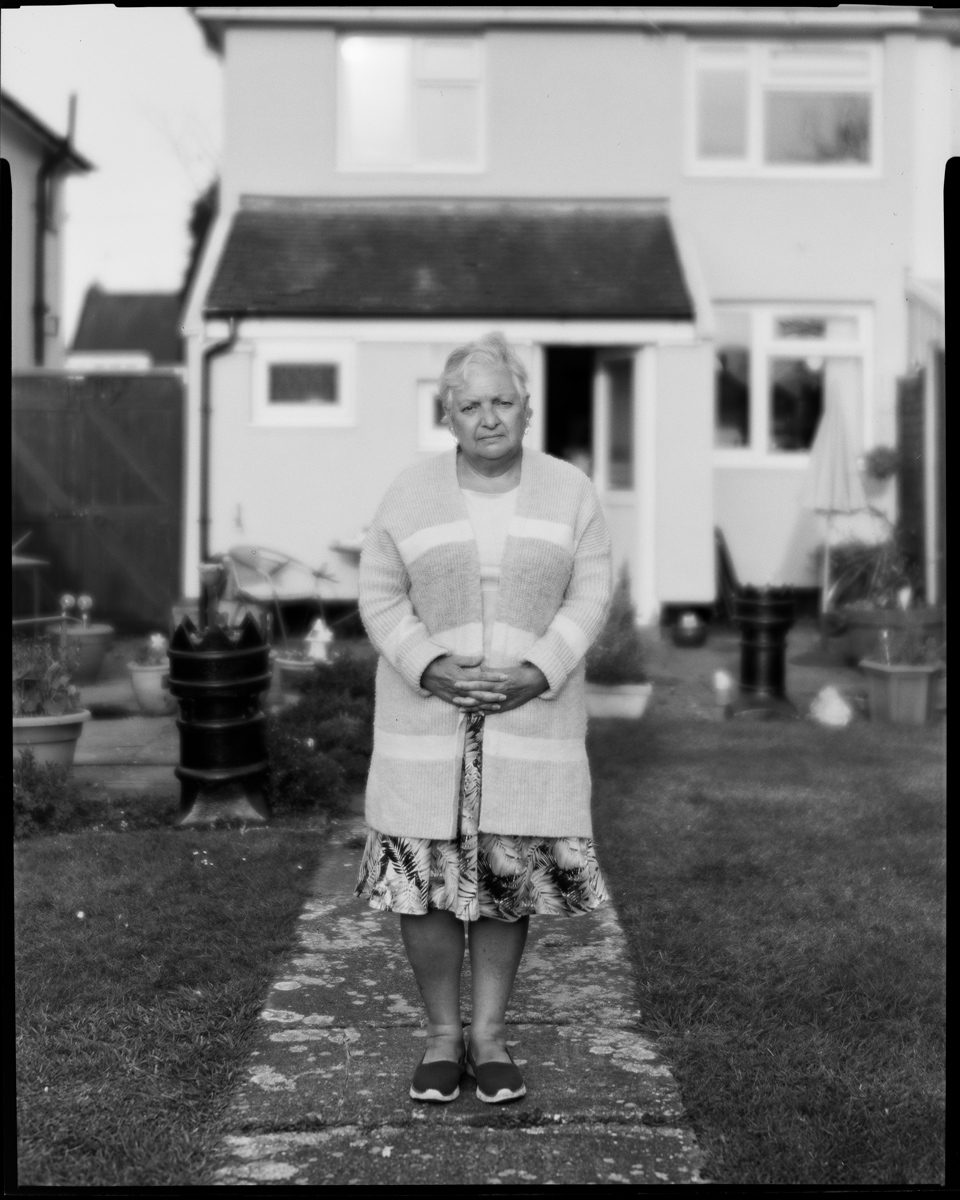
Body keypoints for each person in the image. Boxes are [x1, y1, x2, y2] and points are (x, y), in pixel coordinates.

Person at [355, 331, 613, 1105]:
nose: (489, 417)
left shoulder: (570, 491)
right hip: (425, 720)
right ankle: (441, 1036)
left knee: (507, 878)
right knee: (424, 881)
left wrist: (541, 672)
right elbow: (379, 592)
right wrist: (427, 664)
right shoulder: (409, 492)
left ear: (527, 406)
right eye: (471, 405)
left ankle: (490, 1036)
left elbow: (591, 592)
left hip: (530, 719)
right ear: (448, 416)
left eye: (502, 400)